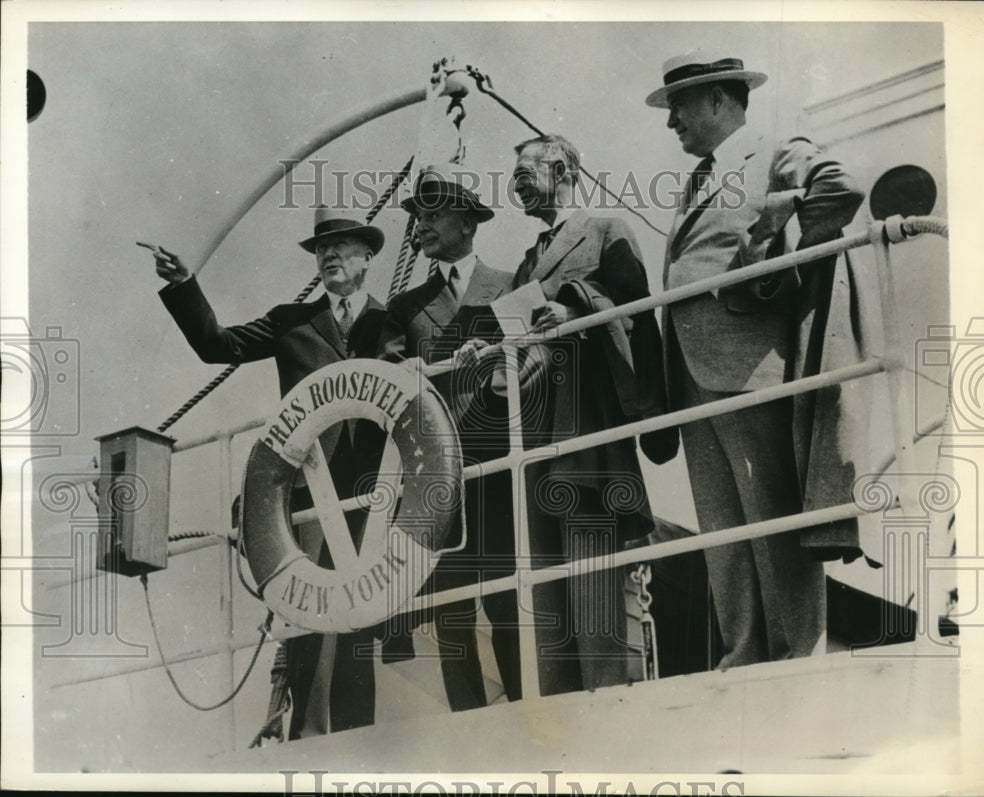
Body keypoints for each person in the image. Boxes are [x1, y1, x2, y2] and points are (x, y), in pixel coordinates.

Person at [646, 50, 867, 668]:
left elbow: (841, 188)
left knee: (769, 517)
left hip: (749, 371)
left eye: (679, 107)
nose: (672, 122)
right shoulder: (699, 178)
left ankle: (798, 655)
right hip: (692, 377)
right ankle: (744, 652)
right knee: (723, 528)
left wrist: (772, 254)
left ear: (718, 98)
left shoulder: (773, 151)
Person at [149, 209, 401, 738]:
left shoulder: (394, 319)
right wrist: (184, 285)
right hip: (310, 491)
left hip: (373, 490)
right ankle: (307, 735)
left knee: (361, 614)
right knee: (311, 610)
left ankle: (358, 736)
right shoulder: (292, 321)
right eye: (321, 248)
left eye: (341, 246)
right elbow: (218, 345)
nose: (328, 255)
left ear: (367, 256)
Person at [507, 134, 677, 696]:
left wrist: (577, 309)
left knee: (592, 583)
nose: (515, 187)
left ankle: (603, 708)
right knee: (547, 595)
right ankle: (558, 716)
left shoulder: (605, 230)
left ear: (561, 170)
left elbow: (638, 322)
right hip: (535, 438)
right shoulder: (527, 262)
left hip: (587, 433)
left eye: (524, 174)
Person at [379, 168, 522, 708]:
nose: (422, 224)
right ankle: (468, 722)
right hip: (439, 478)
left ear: (467, 222)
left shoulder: (510, 283)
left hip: (498, 467)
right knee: (452, 609)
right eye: (419, 216)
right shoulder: (404, 306)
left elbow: (537, 357)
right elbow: (389, 378)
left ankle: (525, 711)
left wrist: (494, 359)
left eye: (434, 213)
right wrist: (417, 369)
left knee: (508, 600)